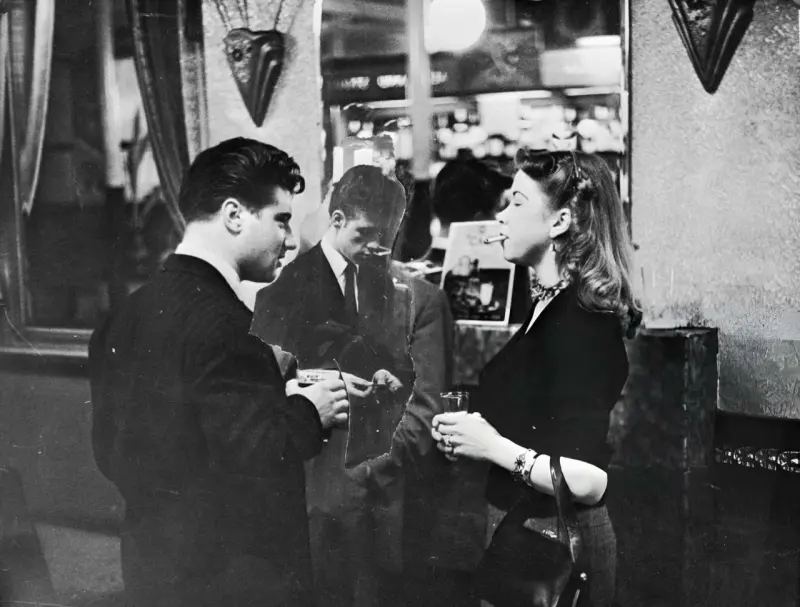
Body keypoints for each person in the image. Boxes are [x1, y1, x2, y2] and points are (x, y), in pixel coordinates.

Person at [88, 138, 350, 607]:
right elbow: (257, 459)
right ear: (233, 215)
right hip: (231, 579)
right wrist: (310, 410)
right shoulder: (228, 324)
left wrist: (270, 399)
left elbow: (116, 450)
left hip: (151, 564)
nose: (290, 241)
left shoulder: (123, 314)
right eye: (281, 220)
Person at [251, 164, 482, 607]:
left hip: (384, 508)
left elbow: (423, 412)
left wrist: (359, 473)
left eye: (387, 234)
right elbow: (262, 393)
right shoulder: (286, 293)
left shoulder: (422, 301)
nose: (376, 247)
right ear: (336, 221)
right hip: (301, 502)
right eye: (365, 233)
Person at [432, 147, 641, 607]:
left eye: (518, 203)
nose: (501, 217)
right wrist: (467, 429)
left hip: (558, 547)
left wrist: (489, 446)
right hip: (525, 531)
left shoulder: (582, 322)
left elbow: (588, 480)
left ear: (560, 221)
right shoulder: (548, 303)